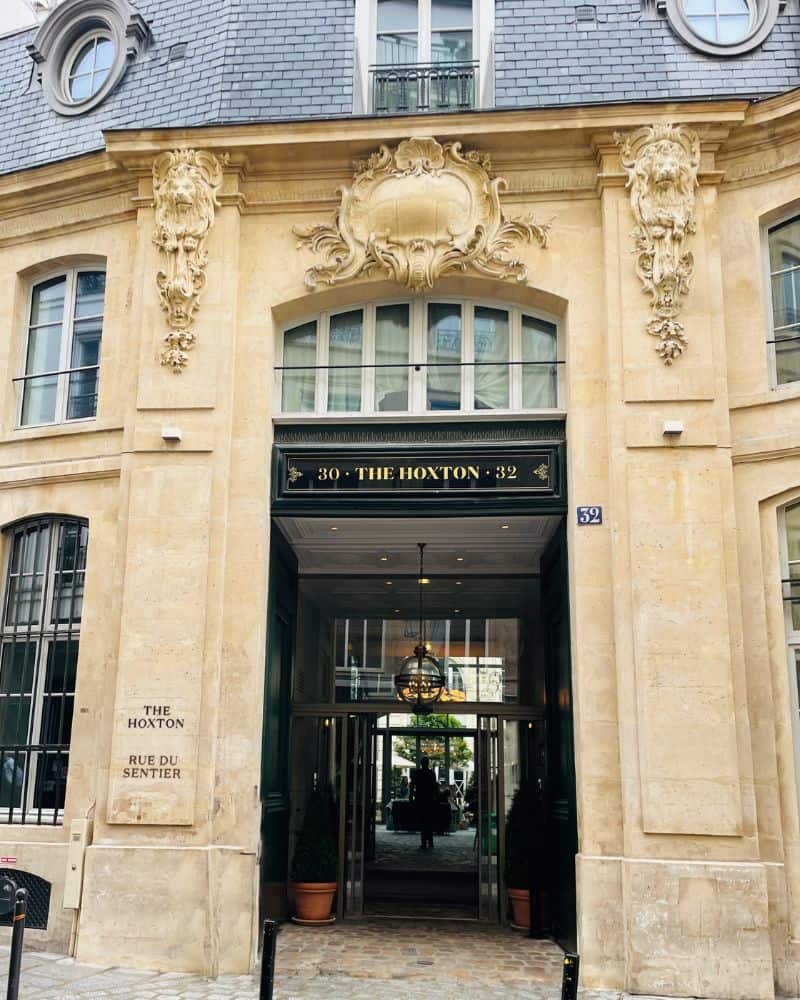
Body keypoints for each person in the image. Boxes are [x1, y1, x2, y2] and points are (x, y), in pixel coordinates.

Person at [411, 755, 438, 850]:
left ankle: (423, 842)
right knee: (429, 821)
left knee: (422, 821)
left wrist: (411, 797)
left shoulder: (417, 773)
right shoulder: (432, 774)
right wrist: (436, 799)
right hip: (429, 800)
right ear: (428, 763)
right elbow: (435, 787)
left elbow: (412, 786)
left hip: (420, 799)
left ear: (421, 763)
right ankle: (430, 841)